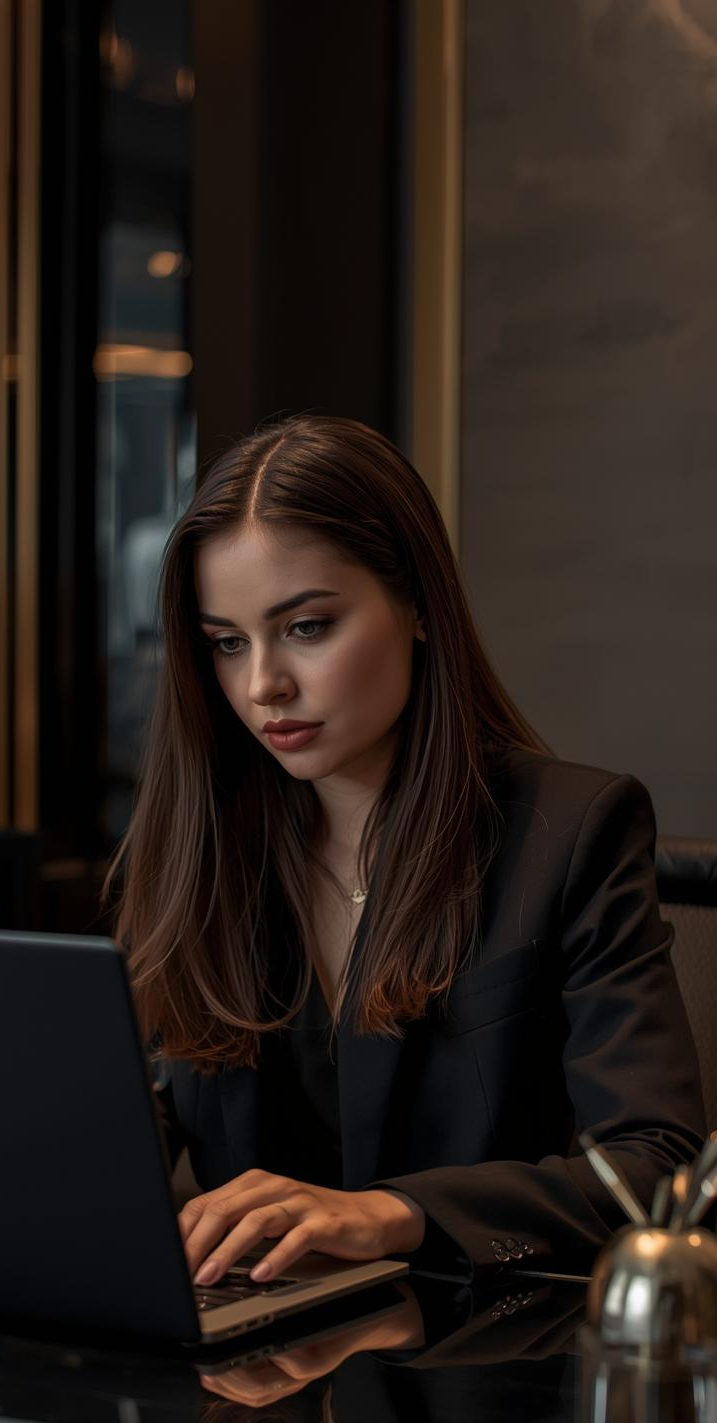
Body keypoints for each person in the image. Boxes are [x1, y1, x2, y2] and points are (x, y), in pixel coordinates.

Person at [103, 414, 704, 1288]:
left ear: (417, 604)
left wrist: (397, 1214)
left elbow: (656, 1170)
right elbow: (140, 1130)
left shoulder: (573, 832)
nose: (263, 683)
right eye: (227, 643)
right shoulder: (204, 849)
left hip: (485, 1370)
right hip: (255, 1379)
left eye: (306, 627)